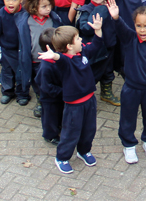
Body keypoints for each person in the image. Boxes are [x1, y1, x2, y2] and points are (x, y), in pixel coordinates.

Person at [38, 18, 105, 175]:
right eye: (78, 38)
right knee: (71, 133)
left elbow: (97, 45)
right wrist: (52, 55)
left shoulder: (83, 52)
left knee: (89, 129)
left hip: (89, 100)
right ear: (69, 46)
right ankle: (62, 158)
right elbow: (59, 59)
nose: (81, 40)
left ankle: (84, 151)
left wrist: (98, 31)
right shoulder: (66, 62)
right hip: (74, 105)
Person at [111, 4, 146, 164]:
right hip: (131, 88)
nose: (142, 30)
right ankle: (128, 145)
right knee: (127, 118)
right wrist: (116, 17)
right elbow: (121, 28)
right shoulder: (130, 39)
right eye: (138, 26)